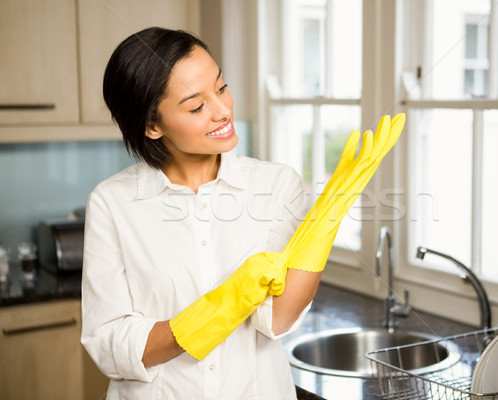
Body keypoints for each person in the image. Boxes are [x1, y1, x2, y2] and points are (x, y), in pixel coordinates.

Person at [82, 26, 404, 400]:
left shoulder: (275, 185)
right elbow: (109, 345)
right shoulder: (112, 203)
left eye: (221, 88)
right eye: (197, 106)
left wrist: (328, 216)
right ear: (152, 126)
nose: (223, 111)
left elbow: (277, 320)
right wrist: (221, 305)